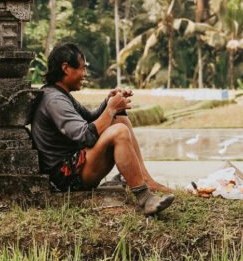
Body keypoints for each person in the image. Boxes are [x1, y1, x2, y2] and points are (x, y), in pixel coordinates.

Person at [31, 42, 174, 216]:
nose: (85, 74)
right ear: (66, 68)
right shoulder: (55, 100)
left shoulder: (59, 94)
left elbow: (91, 119)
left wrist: (110, 103)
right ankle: (144, 198)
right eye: (82, 69)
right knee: (119, 131)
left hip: (76, 163)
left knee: (119, 117)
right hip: (67, 177)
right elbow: (86, 136)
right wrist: (110, 109)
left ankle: (146, 179)